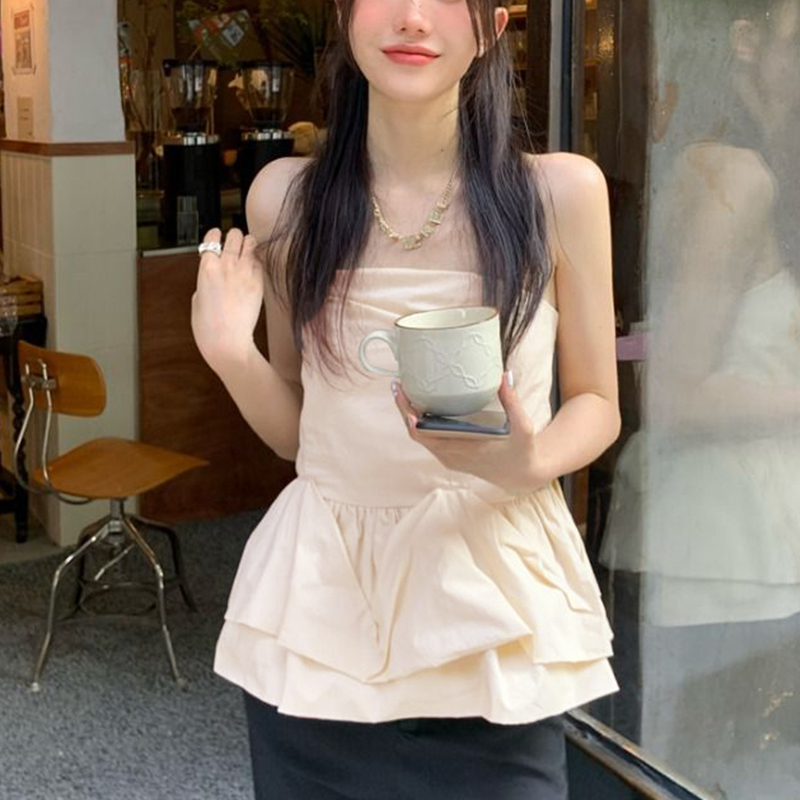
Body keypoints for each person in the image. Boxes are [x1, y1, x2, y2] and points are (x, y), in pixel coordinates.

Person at [190, 0, 619, 796]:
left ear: (492, 26)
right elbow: (297, 433)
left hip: (491, 616)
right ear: (345, 15)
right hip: (322, 618)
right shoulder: (285, 198)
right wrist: (229, 356)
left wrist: (530, 463)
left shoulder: (559, 192)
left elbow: (597, 399)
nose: (414, 18)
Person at [600, 1, 800, 796]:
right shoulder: (735, 175)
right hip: (725, 553)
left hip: (754, 542)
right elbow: (675, 391)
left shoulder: (760, 167)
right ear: (746, 43)